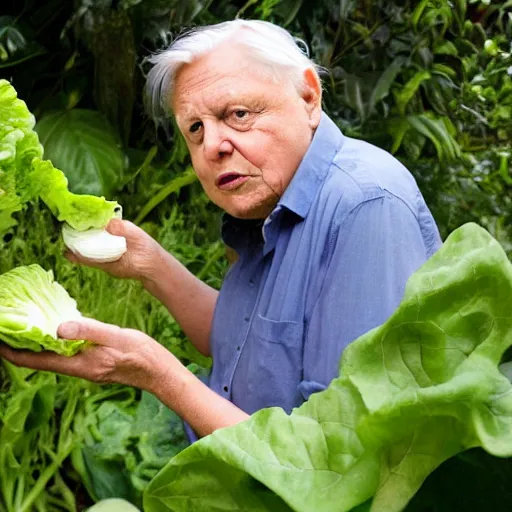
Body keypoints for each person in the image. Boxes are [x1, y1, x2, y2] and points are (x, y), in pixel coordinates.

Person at [0, 20, 442, 441]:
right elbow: (242, 341)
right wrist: (151, 266)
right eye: (195, 129)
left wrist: (158, 374)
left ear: (309, 97)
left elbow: (336, 456)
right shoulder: (270, 204)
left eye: (238, 114)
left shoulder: (366, 206)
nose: (213, 146)